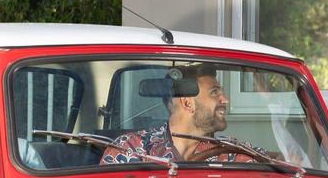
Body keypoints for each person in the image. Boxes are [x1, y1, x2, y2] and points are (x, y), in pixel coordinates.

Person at [100, 65, 244, 164]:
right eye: (214, 92)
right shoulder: (130, 148)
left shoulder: (230, 153)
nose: (225, 100)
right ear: (187, 103)